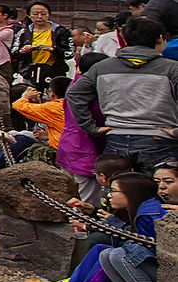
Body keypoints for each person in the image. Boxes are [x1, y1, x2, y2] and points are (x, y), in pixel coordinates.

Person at [68, 19, 178, 174]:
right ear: (160, 38)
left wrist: (90, 127)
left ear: (125, 39)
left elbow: (74, 93)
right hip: (159, 140)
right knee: (159, 193)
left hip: (116, 139)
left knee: (120, 192)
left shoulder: (102, 67)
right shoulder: (172, 68)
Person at [14, 4, 74, 96]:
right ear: (29, 15)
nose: (39, 17)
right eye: (35, 14)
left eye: (43, 14)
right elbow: (14, 52)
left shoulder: (61, 31)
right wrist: (23, 50)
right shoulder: (23, 32)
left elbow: (69, 53)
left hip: (54, 71)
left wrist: (52, 49)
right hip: (30, 72)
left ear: (49, 14)